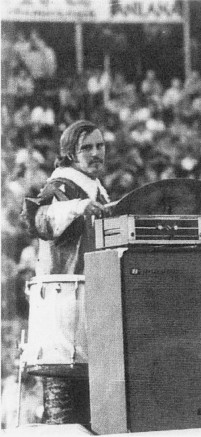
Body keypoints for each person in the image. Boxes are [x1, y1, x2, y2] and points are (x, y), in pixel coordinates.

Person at [21, 120, 111, 424]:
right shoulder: (61, 187)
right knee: (67, 418)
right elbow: (40, 219)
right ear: (70, 153)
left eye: (100, 146)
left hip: (95, 314)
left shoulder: (98, 190)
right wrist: (76, 207)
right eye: (87, 148)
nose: (96, 153)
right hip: (66, 322)